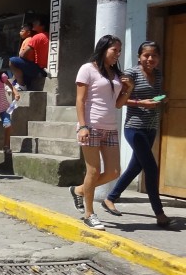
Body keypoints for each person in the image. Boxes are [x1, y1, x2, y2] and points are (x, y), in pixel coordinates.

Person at [103, 40, 169, 227]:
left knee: (135, 167)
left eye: (154, 56)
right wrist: (142, 103)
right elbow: (120, 100)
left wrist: (162, 98)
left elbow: (156, 94)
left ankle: (110, 198)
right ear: (139, 57)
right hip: (134, 128)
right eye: (146, 55)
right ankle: (159, 213)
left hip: (151, 127)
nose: (150, 59)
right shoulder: (130, 74)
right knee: (151, 168)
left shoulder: (158, 74)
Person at [70, 35, 131, 230]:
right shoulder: (87, 69)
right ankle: (89, 213)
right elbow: (80, 100)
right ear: (104, 49)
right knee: (93, 171)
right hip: (91, 126)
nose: (117, 54)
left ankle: (79, 190)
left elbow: (117, 104)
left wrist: (128, 89)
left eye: (119, 51)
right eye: (115, 50)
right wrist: (82, 126)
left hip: (110, 127)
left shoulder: (115, 73)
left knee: (114, 171)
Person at [9, 21, 47, 91]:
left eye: (22, 31)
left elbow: (23, 55)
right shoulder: (29, 39)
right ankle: (17, 84)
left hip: (35, 67)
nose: (20, 32)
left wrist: (20, 61)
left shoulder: (29, 39)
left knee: (12, 61)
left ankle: (21, 84)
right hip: (35, 67)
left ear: (28, 32)